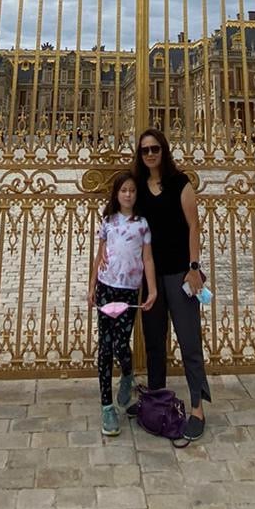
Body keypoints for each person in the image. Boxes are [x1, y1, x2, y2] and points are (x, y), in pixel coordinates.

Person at [133, 127, 210, 441]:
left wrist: (194, 268)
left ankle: (197, 407)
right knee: (154, 341)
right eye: (145, 150)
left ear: (164, 151)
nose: (150, 154)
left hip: (180, 273)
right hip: (150, 276)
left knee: (189, 340)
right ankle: (154, 400)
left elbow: (194, 226)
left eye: (155, 149)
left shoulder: (180, 183)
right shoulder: (137, 186)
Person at [89, 170, 156, 436]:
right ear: (116, 194)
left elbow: (148, 259)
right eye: (123, 190)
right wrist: (91, 285)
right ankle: (107, 406)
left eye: (132, 190)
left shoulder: (142, 224)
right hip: (106, 287)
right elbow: (99, 255)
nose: (127, 194)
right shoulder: (107, 221)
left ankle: (127, 375)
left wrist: (151, 290)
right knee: (104, 347)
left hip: (129, 291)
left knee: (120, 343)